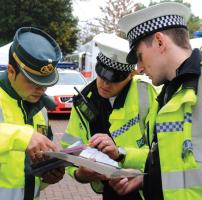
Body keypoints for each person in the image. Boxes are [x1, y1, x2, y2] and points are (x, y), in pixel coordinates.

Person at [110, 1, 202, 199]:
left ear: (160, 42)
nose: (138, 68)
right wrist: (147, 179)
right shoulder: (166, 96)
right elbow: (176, 165)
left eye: (140, 56)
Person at [61, 33, 158, 200]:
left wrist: (120, 154)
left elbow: (162, 154)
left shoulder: (148, 94)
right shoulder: (84, 101)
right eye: (102, 75)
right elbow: (70, 153)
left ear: (131, 75)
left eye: (114, 79)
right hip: (110, 192)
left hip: (146, 190)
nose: (105, 84)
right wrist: (81, 174)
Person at [0, 27, 65, 200]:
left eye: (46, 82)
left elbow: (25, 176)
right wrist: (21, 136)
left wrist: (48, 176)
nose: (42, 89)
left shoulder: (41, 110)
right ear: (11, 71)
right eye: (32, 81)